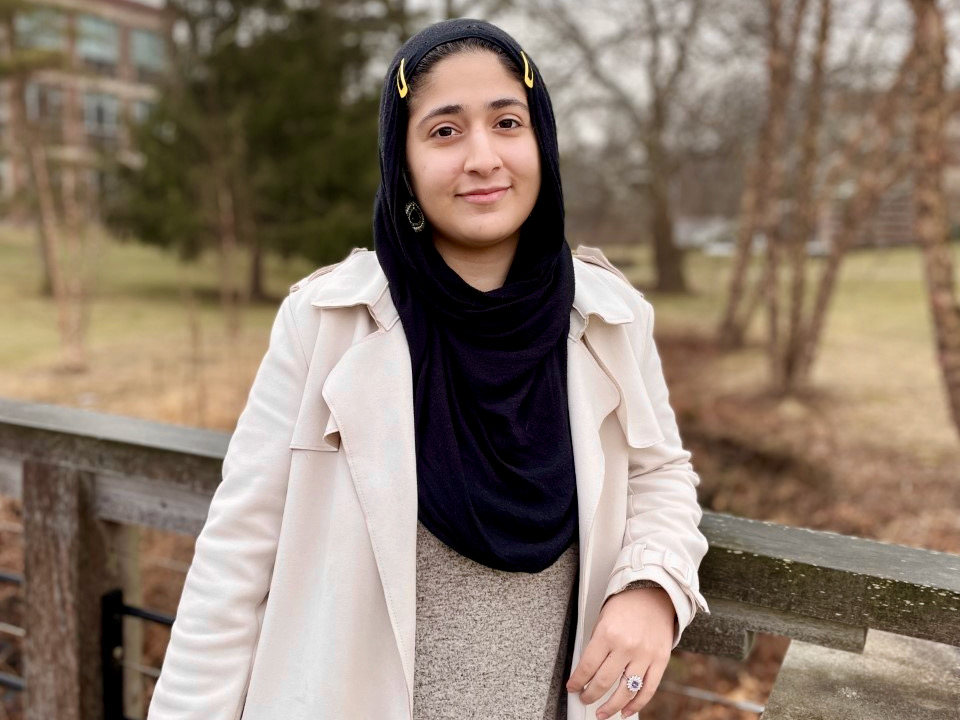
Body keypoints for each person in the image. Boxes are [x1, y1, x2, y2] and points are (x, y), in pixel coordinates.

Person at [147, 18, 708, 720]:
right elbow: (233, 566)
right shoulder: (328, 321)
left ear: (543, 140)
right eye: (445, 131)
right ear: (401, 160)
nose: (482, 157)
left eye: (508, 122)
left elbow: (660, 472)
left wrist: (655, 586)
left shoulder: (612, 316)